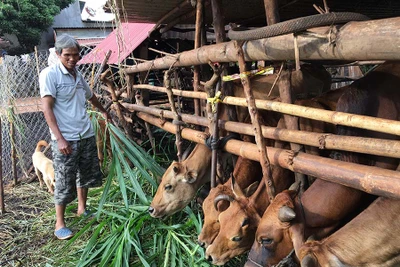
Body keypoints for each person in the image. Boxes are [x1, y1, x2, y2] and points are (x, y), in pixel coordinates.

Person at [39, 34, 110, 240]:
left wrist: (104, 111)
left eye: (76, 55)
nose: (72, 59)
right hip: (66, 138)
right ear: (58, 54)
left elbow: (90, 96)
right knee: (63, 180)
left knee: (84, 175)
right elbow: (47, 109)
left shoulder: (77, 75)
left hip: (85, 133)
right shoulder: (50, 75)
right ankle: (59, 223)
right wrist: (59, 139)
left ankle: (82, 209)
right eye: (68, 55)